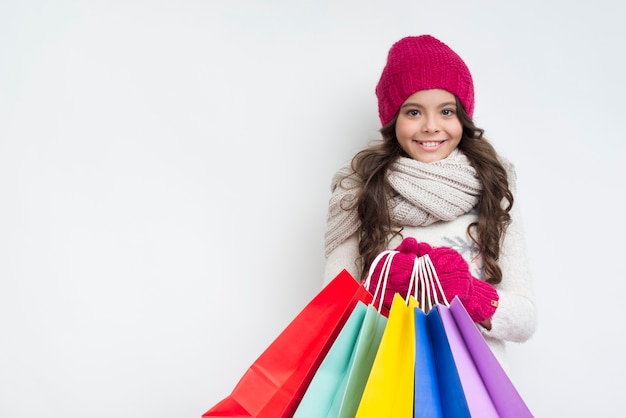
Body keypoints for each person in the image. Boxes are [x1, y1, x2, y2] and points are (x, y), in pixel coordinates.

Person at [323, 34, 537, 368]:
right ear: (393, 119)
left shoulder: (493, 190)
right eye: (413, 112)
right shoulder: (358, 193)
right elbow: (329, 316)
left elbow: (526, 320)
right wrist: (380, 292)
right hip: (383, 385)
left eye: (446, 111)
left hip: (474, 391)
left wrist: (469, 293)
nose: (431, 127)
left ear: (462, 117)